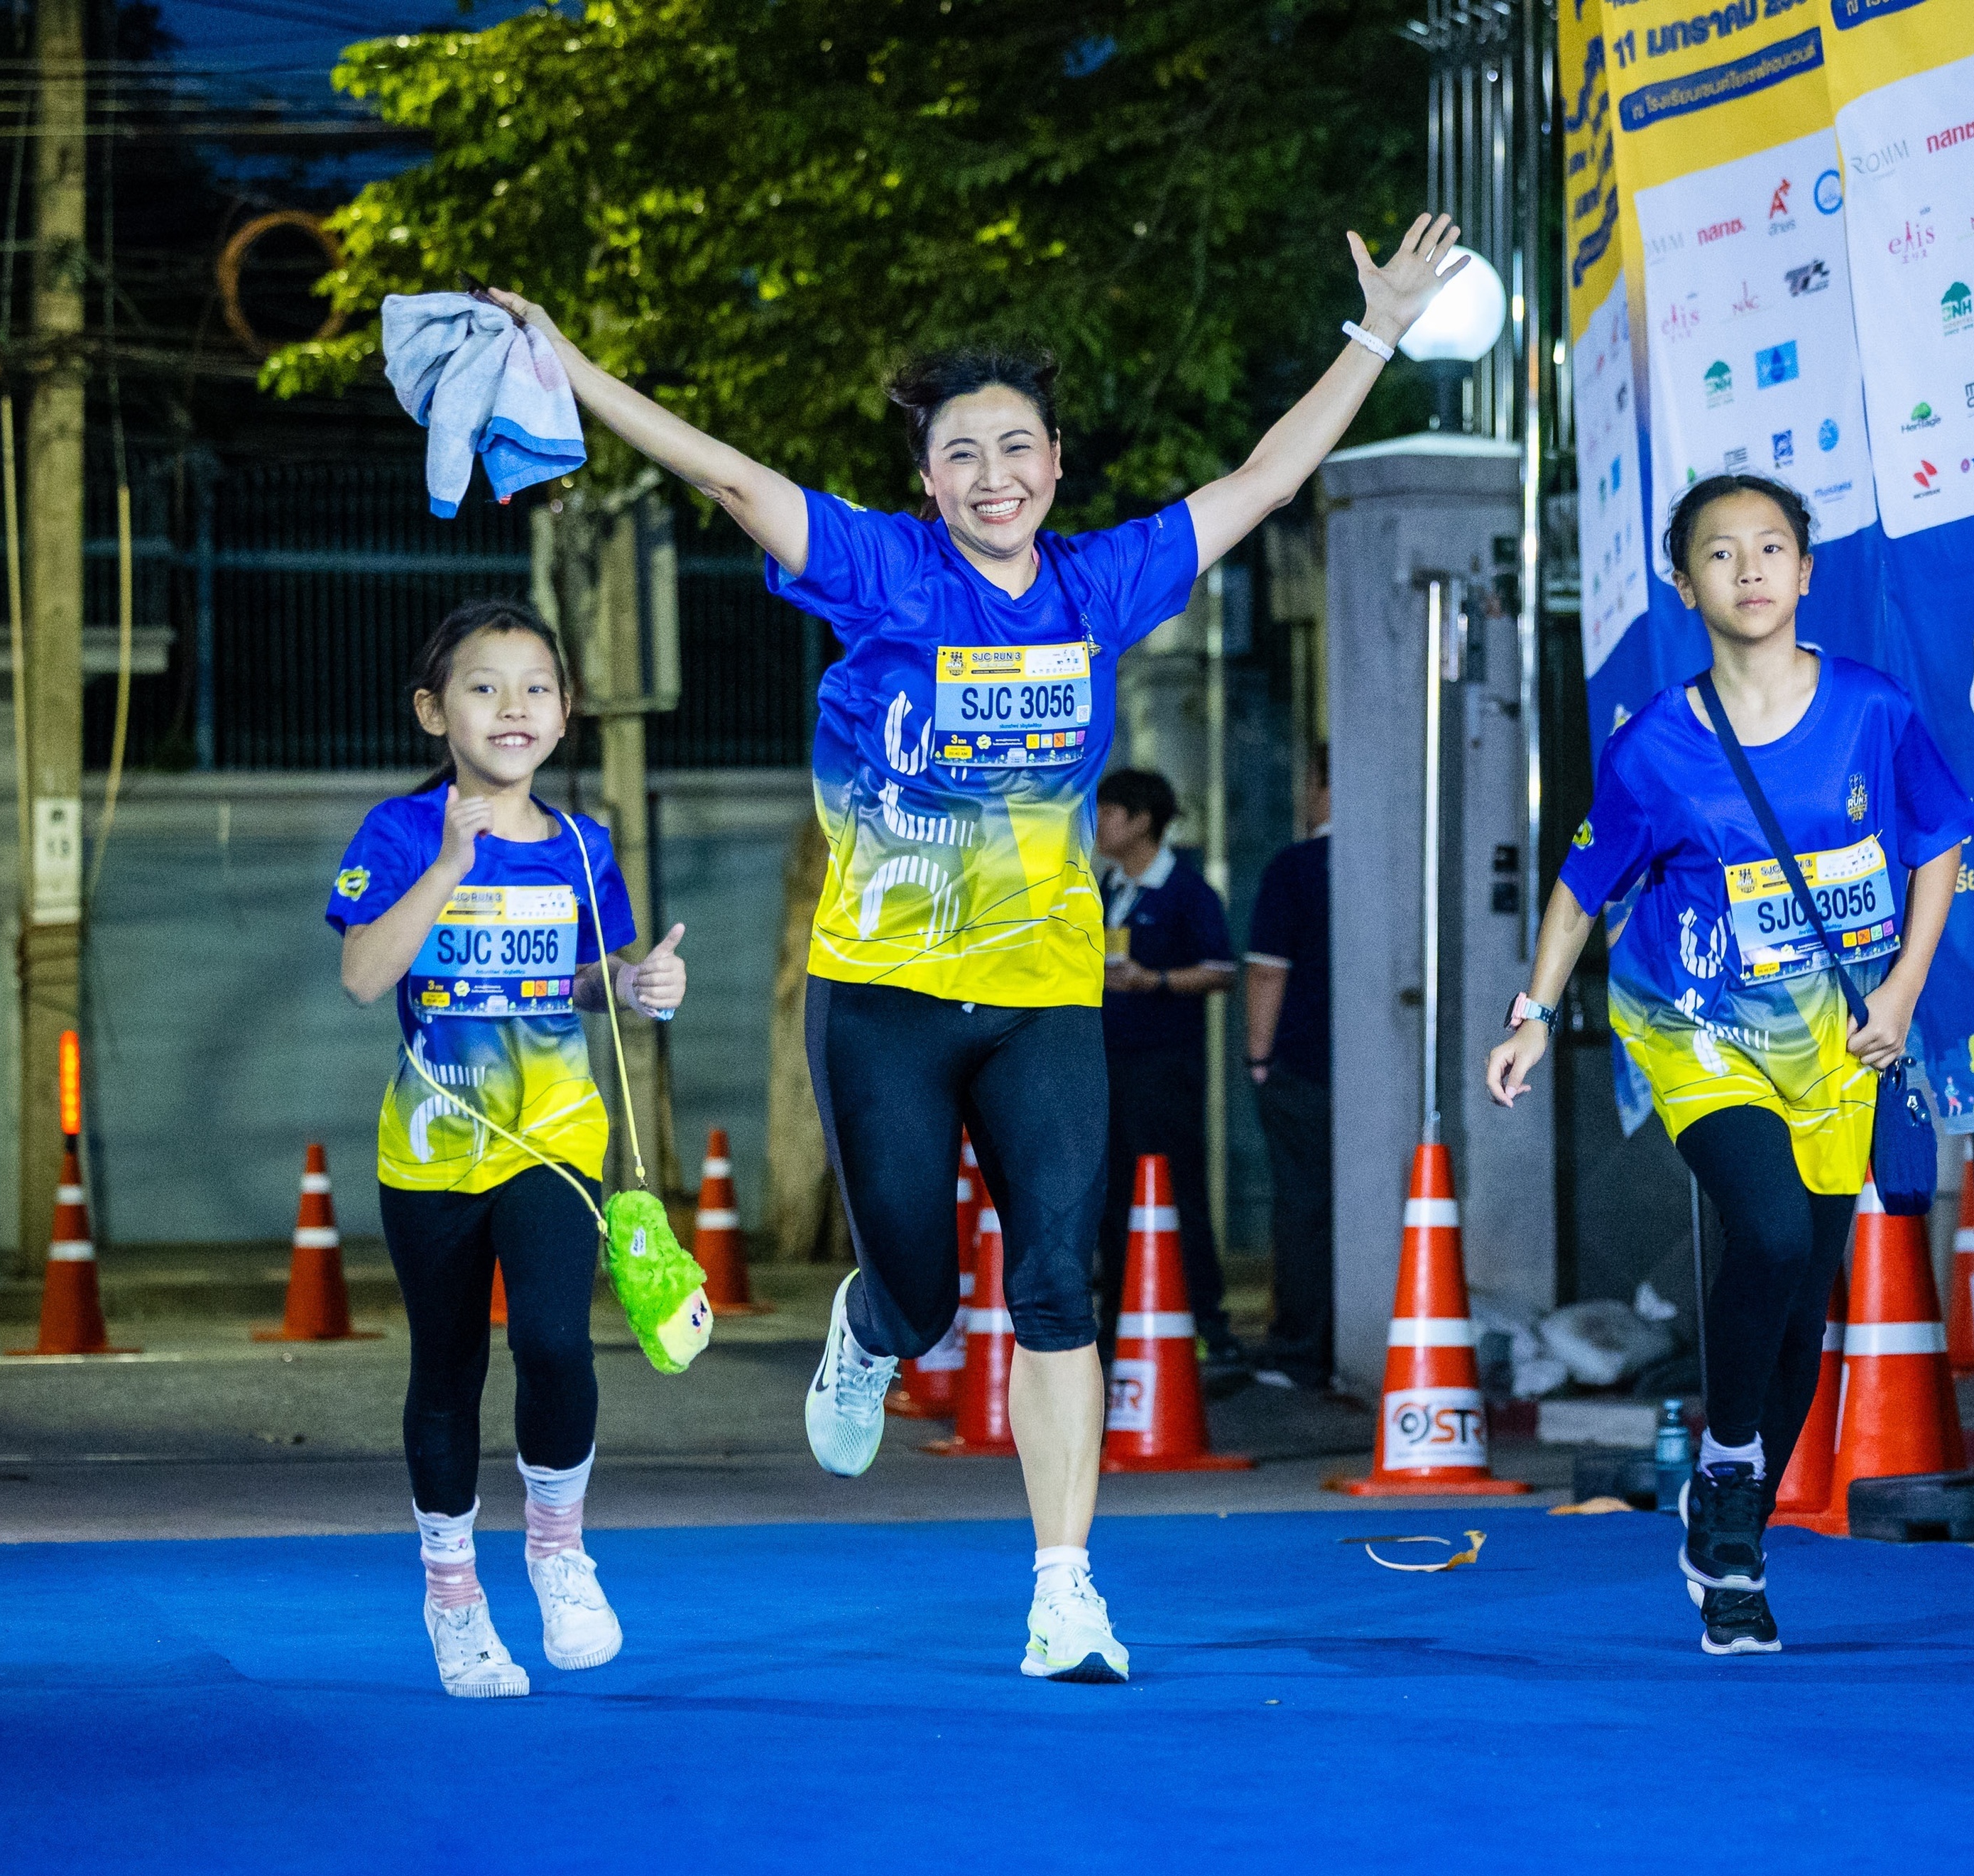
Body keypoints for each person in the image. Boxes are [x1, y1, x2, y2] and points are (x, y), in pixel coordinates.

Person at [479, 209, 1468, 1685]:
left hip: (1040, 996)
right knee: (928, 1293)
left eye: (1016, 448)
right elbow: (726, 473)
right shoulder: (880, 570)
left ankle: (1065, 1592)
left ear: (1054, 465)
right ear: (927, 481)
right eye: (960, 454)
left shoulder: (1100, 582)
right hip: (881, 996)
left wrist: (1376, 330)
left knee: (1058, 1285)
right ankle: (870, 1329)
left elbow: (1264, 480)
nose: (992, 474)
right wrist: (566, 365)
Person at [1483, 475, 1974, 1657]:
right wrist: (1533, 1013)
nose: (1749, 569)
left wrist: (1904, 988)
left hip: (1836, 1039)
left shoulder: (1871, 711)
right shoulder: (1658, 744)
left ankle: (1729, 1518)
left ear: (1806, 572)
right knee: (1770, 1229)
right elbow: (1583, 886)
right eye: (1720, 552)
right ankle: (1736, 1473)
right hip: (1695, 1024)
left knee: (1804, 1303)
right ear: (1684, 581)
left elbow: (1939, 840)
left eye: (1771, 548)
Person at [329, 599, 691, 1699]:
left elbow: (582, 979)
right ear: (434, 711)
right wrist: (449, 862)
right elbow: (363, 977)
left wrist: (636, 982)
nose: (513, 706)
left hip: (555, 1135)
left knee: (555, 1341)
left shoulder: (583, 844)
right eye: (483, 687)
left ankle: (558, 1551)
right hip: (431, 1149)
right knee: (448, 1369)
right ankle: (453, 1597)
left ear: (566, 712)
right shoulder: (399, 831)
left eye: (536, 686)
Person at [1091, 768, 1238, 1358]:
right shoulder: (1105, 888)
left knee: (1175, 1188)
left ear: (1142, 821)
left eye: (1109, 813)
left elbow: (1221, 970)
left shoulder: (1186, 891)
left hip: (1163, 1065)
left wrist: (1153, 981)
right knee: (1112, 1192)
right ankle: (1116, 1319)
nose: (1098, 825)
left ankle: (1207, 1321)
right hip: (1107, 1062)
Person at [1243, 745, 1333, 1391]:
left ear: (1325, 786)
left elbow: (1267, 973)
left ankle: (1302, 1350)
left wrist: (1258, 1057)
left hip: (1303, 1062)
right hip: (1379, 1073)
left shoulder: (1296, 868)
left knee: (1302, 1206)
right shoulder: (1390, 862)